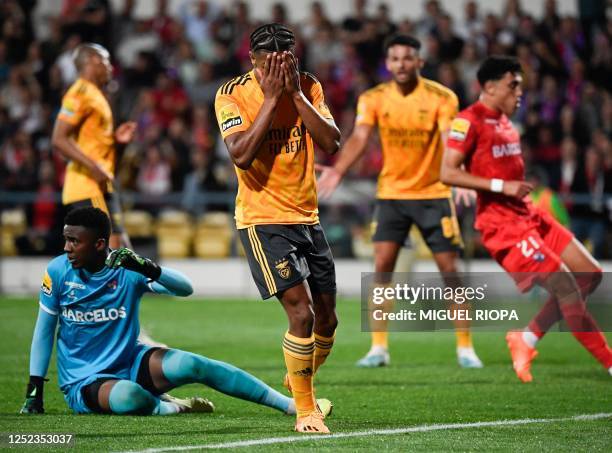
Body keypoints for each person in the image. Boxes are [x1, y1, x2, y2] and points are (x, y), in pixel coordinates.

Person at [19, 207, 332, 417]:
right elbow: (44, 331)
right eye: (66, 239)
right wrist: (35, 391)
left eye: (74, 241)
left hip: (131, 361)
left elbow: (185, 289)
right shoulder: (58, 272)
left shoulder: (125, 268)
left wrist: (149, 268)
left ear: (100, 244)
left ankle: (291, 406)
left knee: (195, 364)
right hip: (84, 381)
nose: (66, 247)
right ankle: (170, 407)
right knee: (129, 397)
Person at [441, 55, 612, 382]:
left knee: (590, 274)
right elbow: (447, 171)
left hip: (530, 215)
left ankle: (527, 337)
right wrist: (497, 185)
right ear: (489, 88)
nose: (520, 92)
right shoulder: (469, 120)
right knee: (567, 289)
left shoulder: (507, 122)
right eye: (513, 85)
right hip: (503, 226)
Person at [317, 34, 482, 369]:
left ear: (420, 61)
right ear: (387, 63)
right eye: (395, 59)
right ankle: (379, 347)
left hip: (434, 194)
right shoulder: (374, 98)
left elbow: (450, 136)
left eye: (408, 58)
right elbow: (360, 137)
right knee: (382, 270)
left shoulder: (441, 97)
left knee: (450, 271)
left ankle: (465, 347)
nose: (401, 64)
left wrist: (461, 168)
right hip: (392, 195)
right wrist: (338, 170)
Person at [214, 23, 340, 434]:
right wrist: (271, 99)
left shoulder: (308, 86)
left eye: (287, 58)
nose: (280, 66)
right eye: (270, 60)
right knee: (300, 315)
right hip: (262, 219)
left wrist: (296, 95)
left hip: (307, 216)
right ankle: (305, 411)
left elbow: (332, 142)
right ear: (252, 60)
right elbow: (242, 154)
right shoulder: (232, 94)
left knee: (327, 321)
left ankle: (298, 373)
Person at [51, 43, 135, 250]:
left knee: (119, 250)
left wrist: (117, 142)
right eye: (106, 61)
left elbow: (95, 146)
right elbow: (59, 138)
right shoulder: (79, 93)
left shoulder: (97, 95)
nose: (110, 67)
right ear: (92, 62)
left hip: (102, 183)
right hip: (88, 185)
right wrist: (93, 168)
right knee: (112, 254)